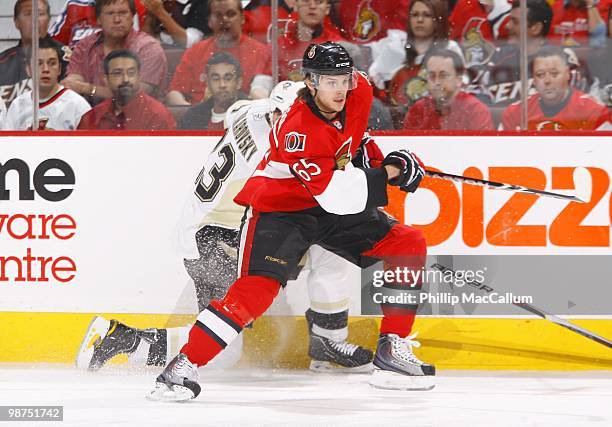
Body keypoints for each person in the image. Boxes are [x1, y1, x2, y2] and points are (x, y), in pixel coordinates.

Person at [148, 41, 435, 402]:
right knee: (257, 291)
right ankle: (181, 367)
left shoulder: (357, 89)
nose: (340, 89)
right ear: (310, 84)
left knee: (407, 242)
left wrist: (382, 159)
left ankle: (392, 348)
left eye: (343, 79)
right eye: (329, 82)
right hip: (282, 212)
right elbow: (336, 194)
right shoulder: (299, 129)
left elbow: (354, 138)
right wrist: (391, 172)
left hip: (326, 208)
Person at [76, 80, 373, 374]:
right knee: (224, 353)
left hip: (207, 229)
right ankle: (121, 339)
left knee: (329, 245)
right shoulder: (279, 152)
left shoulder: (254, 111)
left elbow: (236, 112)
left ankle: (328, 342)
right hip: (217, 242)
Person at [166, 0, 273, 105]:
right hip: (199, 119)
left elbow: (260, 98)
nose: (224, 19)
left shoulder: (261, 52)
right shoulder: (194, 51)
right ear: (209, 21)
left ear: (242, 19)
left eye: (231, 14)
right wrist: (193, 114)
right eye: (218, 15)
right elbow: (174, 94)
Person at [62, 0, 168, 102]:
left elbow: (134, 96)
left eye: (123, 13)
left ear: (132, 17)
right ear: (98, 19)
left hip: (142, 117)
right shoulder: (85, 46)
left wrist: (88, 89)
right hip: (94, 116)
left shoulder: (148, 48)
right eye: (110, 13)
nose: (117, 19)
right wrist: (73, 85)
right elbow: (72, 83)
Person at [385, 0, 463, 127]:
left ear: (438, 19)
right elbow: (380, 90)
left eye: (427, 15)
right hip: (396, 120)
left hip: (439, 119)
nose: (419, 20)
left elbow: (458, 90)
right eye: (415, 14)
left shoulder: (450, 48)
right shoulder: (394, 49)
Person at [500, 45, 610, 130]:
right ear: (533, 79)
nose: (547, 81)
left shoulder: (594, 112)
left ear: (567, 74)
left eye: (554, 74)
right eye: (540, 75)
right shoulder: (515, 113)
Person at [5, 38, 91, 131]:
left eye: (52, 63)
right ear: (28, 70)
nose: (45, 69)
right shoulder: (17, 105)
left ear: (59, 69)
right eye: (39, 63)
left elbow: (90, 143)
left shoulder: (78, 105)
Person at [77, 49, 176, 130]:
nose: (125, 79)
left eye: (131, 73)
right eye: (118, 73)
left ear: (139, 76)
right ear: (106, 79)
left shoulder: (157, 116)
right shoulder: (92, 117)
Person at [404, 48, 494, 130]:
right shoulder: (418, 109)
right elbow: (407, 146)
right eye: (431, 76)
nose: (437, 82)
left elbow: (482, 148)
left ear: (459, 80)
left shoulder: (476, 110)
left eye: (443, 76)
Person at [0, 0, 63, 107]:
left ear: (49, 20)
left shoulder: (65, 56)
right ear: (16, 22)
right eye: (28, 14)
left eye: (40, 14)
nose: (34, 20)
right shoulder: (2, 63)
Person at [277, 0, 344, 81]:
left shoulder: (340, 48)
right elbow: (264, 82)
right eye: (306, 1)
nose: (312, 6)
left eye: (319, 2)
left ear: (327, 9)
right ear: (295, 5)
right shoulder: (278, 46)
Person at [179, 52, 247, 130]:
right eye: (216, 79)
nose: (222, 85)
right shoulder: (192, 118)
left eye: (228, 78)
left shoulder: (254, 115)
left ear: (239, 82)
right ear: (207, 82)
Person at [449, 0, 511, 67]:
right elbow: (452, 40)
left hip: (497, 69)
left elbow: (511, 50)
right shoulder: (465, 4)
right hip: (466, 68)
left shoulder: (512, 8)